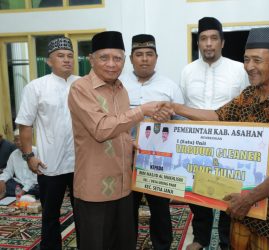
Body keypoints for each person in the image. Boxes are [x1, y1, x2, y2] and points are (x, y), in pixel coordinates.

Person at [168, 27, 269, 249]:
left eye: (257, 60)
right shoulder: (248, 96)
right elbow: (218, 116)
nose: (249, 67)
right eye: (246, 60)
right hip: (241, 209)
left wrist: (249, 198)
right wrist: (174, 107)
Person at [68, 31, 171, 250]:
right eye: (104, 57)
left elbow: (121, 129)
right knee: (97, 244)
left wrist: (135, 144)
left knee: (124, 243)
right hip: (95, 189)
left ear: (124, 60)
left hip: (124, 186)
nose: (111, 64)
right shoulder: (81, 88)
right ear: (91, 59)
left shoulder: (121, 90)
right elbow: (101, 129)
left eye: (117, 58)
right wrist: (142, 111)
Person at [180, 17, 249, 250]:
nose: (208, 44)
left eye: (213, 38)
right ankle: (200, 238)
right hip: (197, 146)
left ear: (222, 42)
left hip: (229, 147)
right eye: (203, 39)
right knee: (198, 195)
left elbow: (247, 108)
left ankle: (226, 241)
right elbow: (183, 108)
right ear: (198, 43)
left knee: (228, 195)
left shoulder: (239, 70)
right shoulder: (187, 71)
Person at [120, 34, 184, 250]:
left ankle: (162, 245)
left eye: (149, 54)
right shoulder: (119, 85)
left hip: (158, 159)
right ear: (131, 58)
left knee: (160, 208)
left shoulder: (170, 86)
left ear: (157, 58)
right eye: (139, 54)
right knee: (127, 208)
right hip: (125, 156)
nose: (144, 59)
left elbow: (182, 121)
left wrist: (169, 117)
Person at [15, 37, 79, 250]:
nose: (67, 60)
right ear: (49, 61)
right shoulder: (36, 87)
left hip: (82, 163)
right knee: (50, 215)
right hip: (49, 164)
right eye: (61, 56)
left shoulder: (82, 85)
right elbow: (25, 125)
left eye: (70, 56)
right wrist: (28, 156)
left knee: (85, 213)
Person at [0, 129, 38, 198]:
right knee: (6, 182)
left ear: (28, 139)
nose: (18, 142)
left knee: (44, 185)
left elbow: (35, 177)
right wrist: (2, 180)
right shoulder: (13, 154)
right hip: (19, 185)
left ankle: (25, 194)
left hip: (34, 185)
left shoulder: (37, 152)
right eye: (16, 140)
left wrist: (24, 190)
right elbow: (8, 172)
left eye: (20, 139)